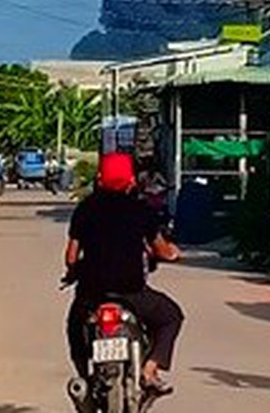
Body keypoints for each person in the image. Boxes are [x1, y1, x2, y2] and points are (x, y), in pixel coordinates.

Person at [65, 152, 185, 393]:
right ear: (131, 181)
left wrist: (73, 271)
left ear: (99, 179)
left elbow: (70, 257)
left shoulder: (85, 209)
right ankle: (150, 369)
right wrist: (173, 253)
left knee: (75, 328)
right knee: (171, 316)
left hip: (92, 293)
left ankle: (83, 378)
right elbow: (161, 250)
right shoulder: (141, 210)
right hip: (132, 292)